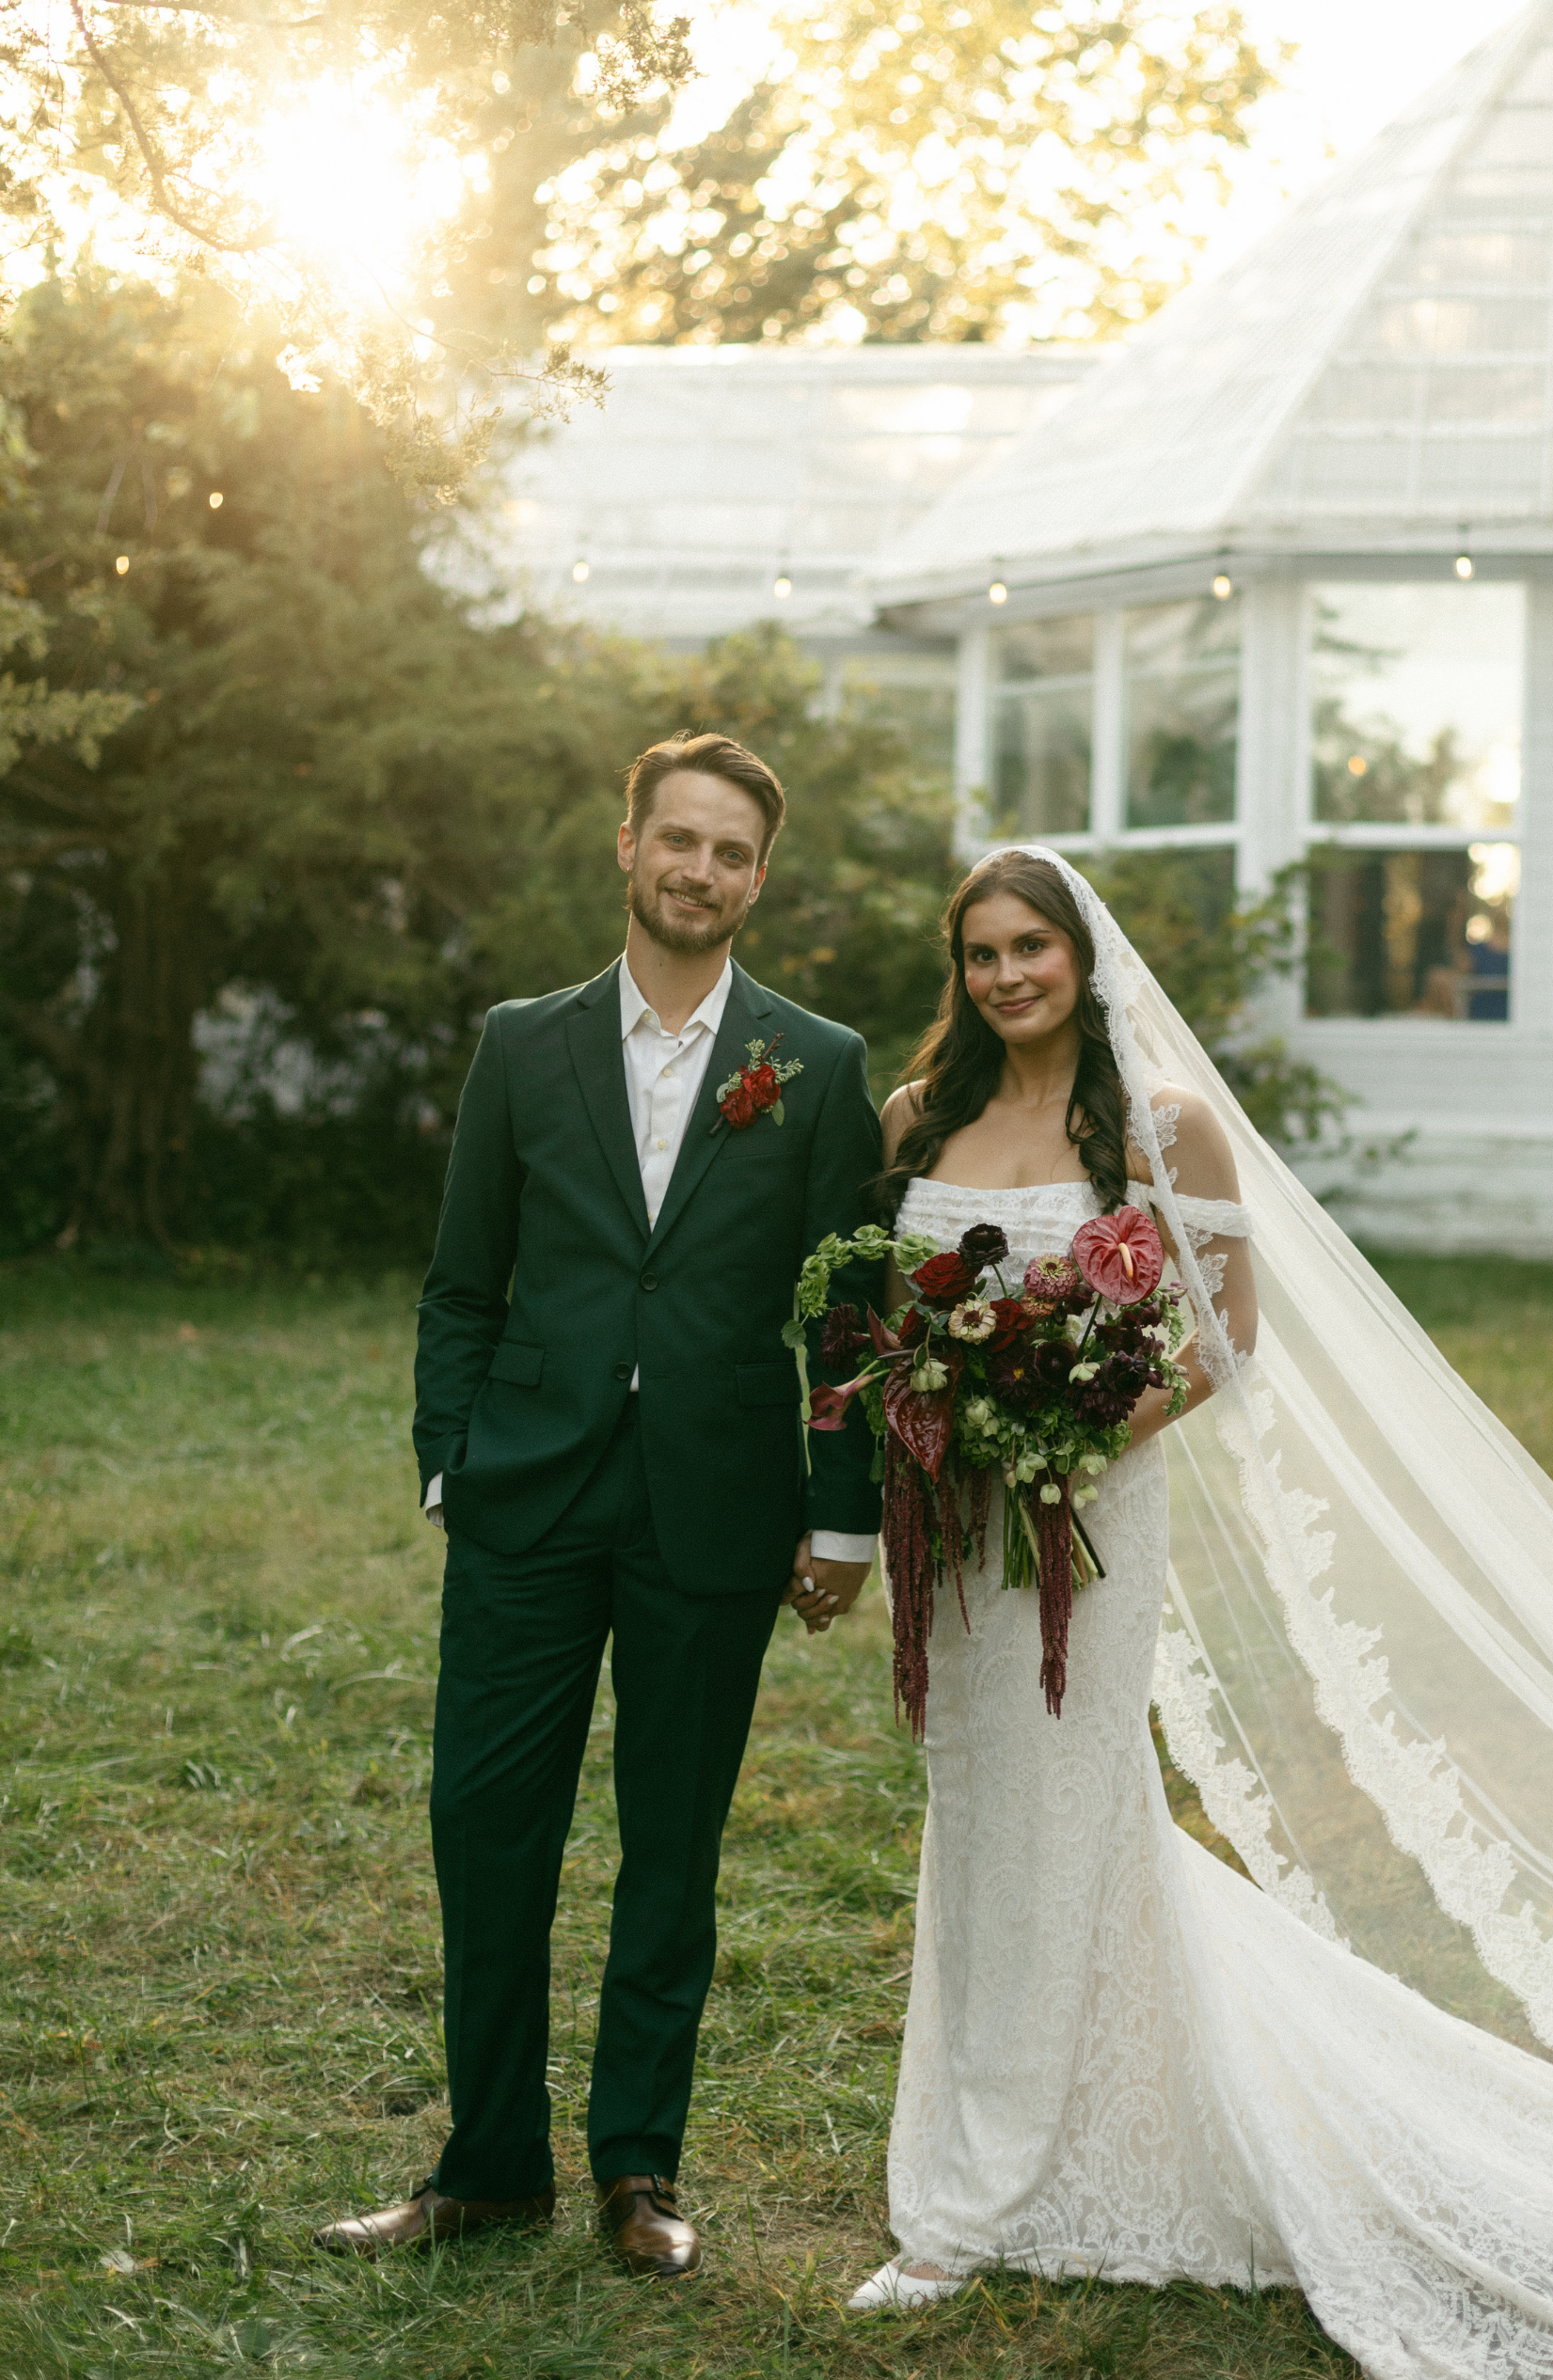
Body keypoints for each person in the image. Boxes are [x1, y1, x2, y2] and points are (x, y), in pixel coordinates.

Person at [848, 844, 1553, 2380]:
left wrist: (1056, 1447)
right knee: (980, 1810)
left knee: (1066, 1800)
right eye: (982, 953)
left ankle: (971, 2196)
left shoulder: (1165, 1125)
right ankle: (1036, 2118)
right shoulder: (914, 1120)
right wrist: (940, 1423)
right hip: (951, 1532)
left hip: (1087, 1517)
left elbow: (1216, 1341)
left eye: (1033, 947)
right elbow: (889, 1317)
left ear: (1083, 956)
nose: (1009, 976)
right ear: (958, 967)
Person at [314, 733, 881, 2277]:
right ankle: (487, 2163)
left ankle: (640, 2167)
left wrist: (843, 1520)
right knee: (486, 1827)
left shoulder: (818, 1067)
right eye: (678, 839)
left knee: (671, 1842)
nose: (701, 870)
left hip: (714, 1504)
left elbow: (847, 1320)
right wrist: (452, 1456)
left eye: (732, 852)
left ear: (760, 878)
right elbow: (459, 1283)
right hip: (527, 1500)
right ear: (626, 846)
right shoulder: (523, 1042)